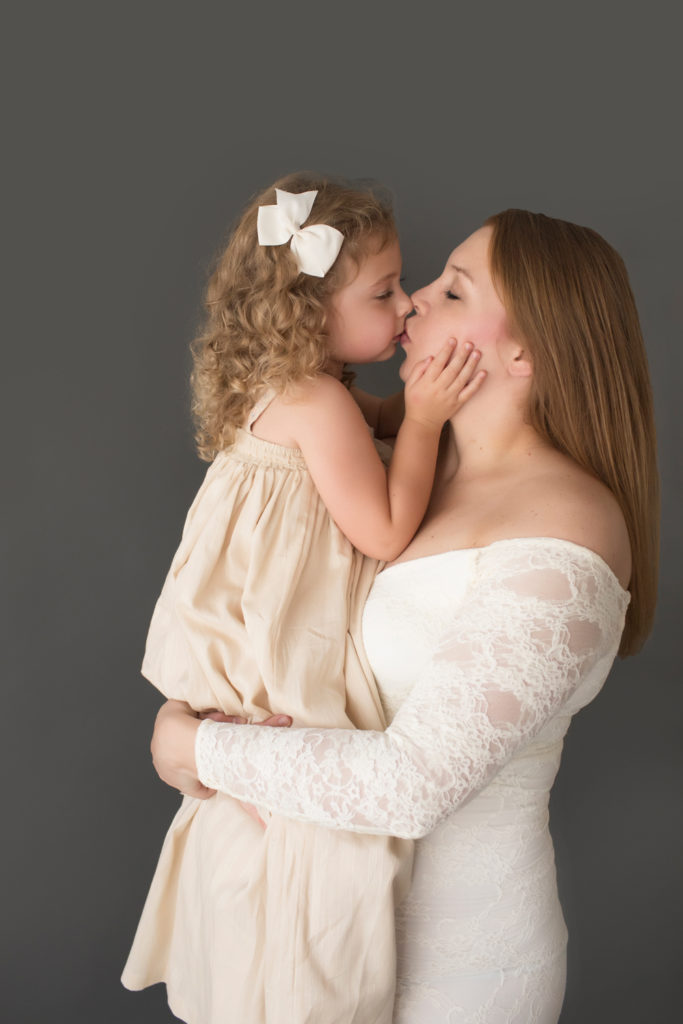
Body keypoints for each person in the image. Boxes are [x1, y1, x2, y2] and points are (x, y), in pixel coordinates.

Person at [151, 209, 659, 1023]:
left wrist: (193, 743)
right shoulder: (417, 474)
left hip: (457, 973)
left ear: (525, 350)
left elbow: (410, 787)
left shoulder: (569, 527)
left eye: (452, 290)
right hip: (321, 938)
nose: (414, 300)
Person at [122, 173, 484, 1024]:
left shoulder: (301, 387)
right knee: (317, 845)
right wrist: (430, 420)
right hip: (282, 656)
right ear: (309, 311)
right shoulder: (318, 403)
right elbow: (387, 530)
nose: (404, 306)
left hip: (245, 643)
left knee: (273, 847)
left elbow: (379, 424)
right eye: (384, 291)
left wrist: (420, 404)